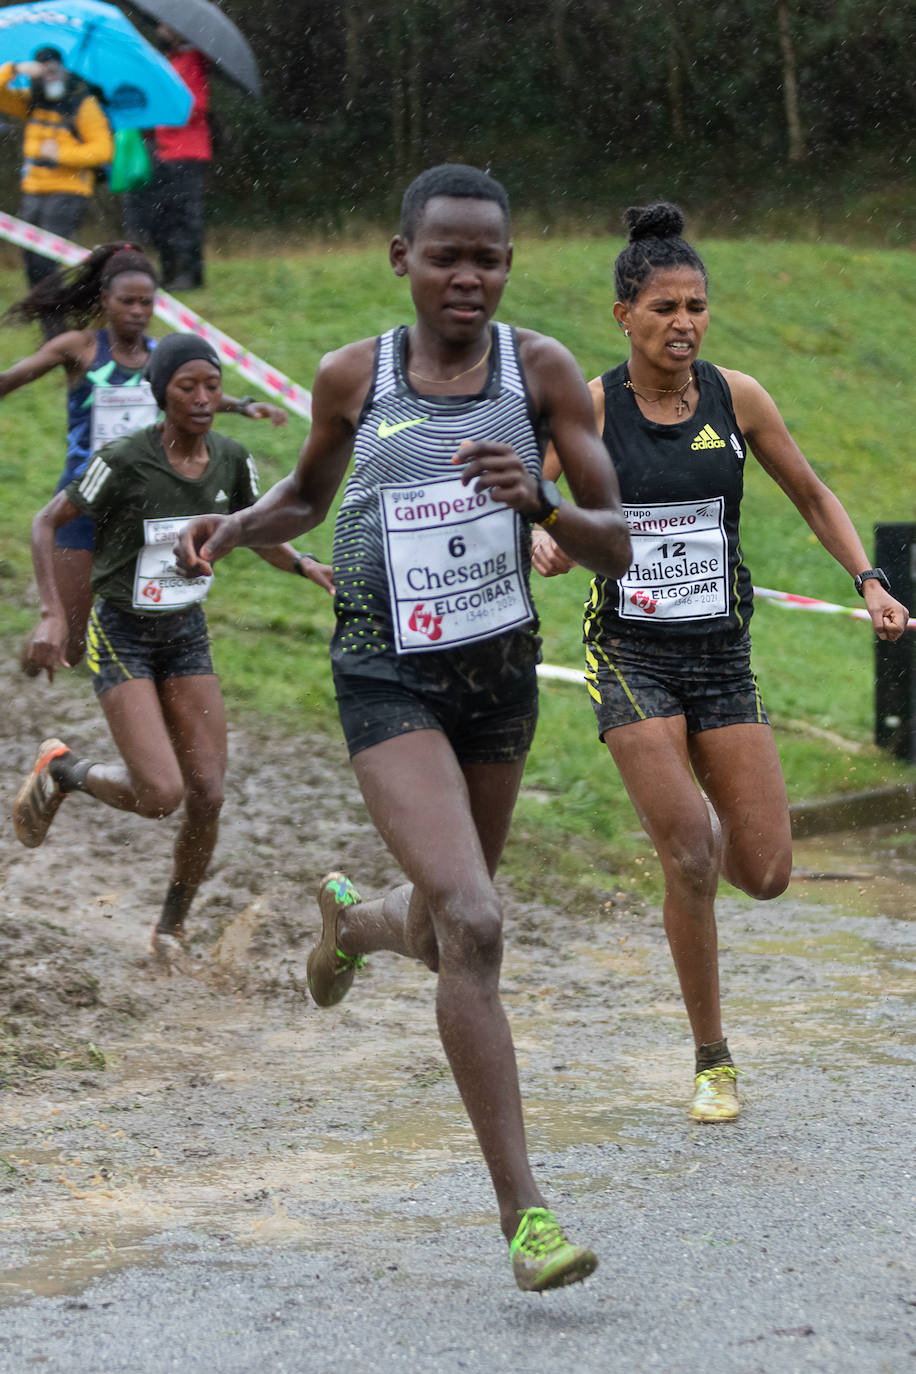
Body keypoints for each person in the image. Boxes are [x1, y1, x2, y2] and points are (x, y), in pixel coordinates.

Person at [173, 164, 631, 1292]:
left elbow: (617, 537)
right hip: (384, 674)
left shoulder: (542, 373)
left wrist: (539, 501)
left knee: (436, 931)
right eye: (445, 255)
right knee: (474, 921)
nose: (466, 276)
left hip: (497, 679)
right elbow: (305, 497)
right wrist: (231, 529)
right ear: (403, 259)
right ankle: (526, 1216)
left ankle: (349, 926)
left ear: (508, 267)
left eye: (487, 258)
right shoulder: (352, 376)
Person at [533, 202, 910, 1124]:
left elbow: (813, 492)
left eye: (696, 306)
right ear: (624, 313)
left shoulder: (739, 399)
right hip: (628, 654)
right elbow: (535, 492)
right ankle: (713, 1058)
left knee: (767, 872)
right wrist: (547, 538)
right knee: (692, 854)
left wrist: (868, 579)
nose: (684, 324)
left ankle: (688, 836)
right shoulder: (590, 404)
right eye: (664, 307)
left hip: (720, 660)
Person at [12, 333, 334, 963]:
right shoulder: (125, 458)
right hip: (123, 632)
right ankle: (64, 771)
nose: (205, 398)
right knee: (161, 795)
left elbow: (258, 532)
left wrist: (302, 565)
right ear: (162, 393)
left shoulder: (232, 461)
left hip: (184, 633)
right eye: (188, 386)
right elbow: (47, 521)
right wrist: (54, 614)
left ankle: (170, 930)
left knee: (208, 795)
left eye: (212, 385)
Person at [1, 241, 289, 671]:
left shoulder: (162, 358)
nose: (137, 311)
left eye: (146, 303)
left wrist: (245, 405)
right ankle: (34, 659)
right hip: (80, 501)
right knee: (70, 642)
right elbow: (14, 377)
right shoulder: (80, 348)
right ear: (104, 300)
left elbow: (200, 390)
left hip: (140, 504)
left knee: (141, 619)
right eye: (127, 301)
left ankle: (144, 683)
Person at [0, 47, 113, 322]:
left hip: (69, 189)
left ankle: (57, 318)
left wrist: (60, 155)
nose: (49, 77)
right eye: (43, 71)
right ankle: (47, 314)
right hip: (34, 189)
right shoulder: (32, 100)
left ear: (63, 69)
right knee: (30, 257)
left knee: (46, 258)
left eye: (53, 69)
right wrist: (15, 69)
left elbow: (103, 151)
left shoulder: (83, 104)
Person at [122, 25, 211, 290]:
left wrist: (165, 106)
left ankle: (191, 274)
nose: (160, 30)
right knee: (161, 217)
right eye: (158, 25)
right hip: (161, 151)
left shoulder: (193, 60)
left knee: (185, 216)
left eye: (165, 27)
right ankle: (168, 270)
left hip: (186, 151)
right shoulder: (168, 61)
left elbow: (196, 106)